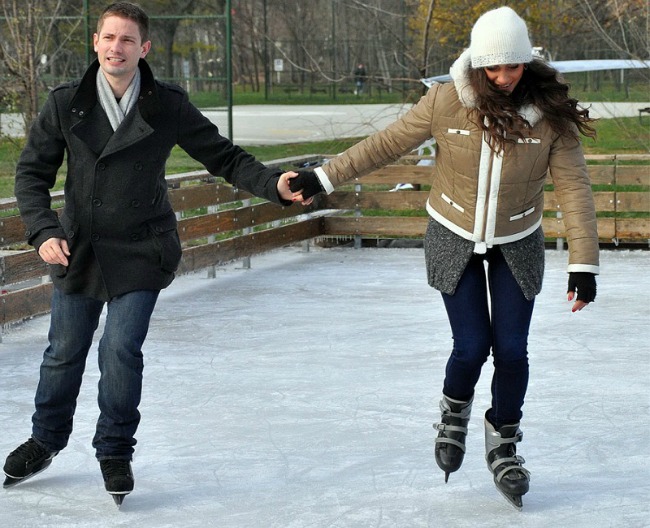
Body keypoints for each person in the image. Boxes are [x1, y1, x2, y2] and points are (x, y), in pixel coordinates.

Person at [288, 6, 599, 509]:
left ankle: (504, 442)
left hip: (517, 239)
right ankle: (454, 411)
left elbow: (574, 188)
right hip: (453, 233)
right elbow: (385, 144)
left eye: (513, 66)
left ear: (526, 61)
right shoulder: (446, 100)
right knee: (473, 346)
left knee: (513, 351)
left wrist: (584, 263)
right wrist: (322, 178)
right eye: (493, 68)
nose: (503, 78)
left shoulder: (550, 112)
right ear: (477, 64)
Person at [3, 2, 297, 505]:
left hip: (142, 249)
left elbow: (222, 155)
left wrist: (275, 184)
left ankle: (114, 450)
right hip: (77, 249)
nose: (116, 48)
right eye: (108, 38)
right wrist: (43, 230)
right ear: (95, 43)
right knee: (62, 353)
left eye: (127, 40)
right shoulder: (65, 104)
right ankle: (46, 439)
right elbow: (32, 174)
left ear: (145, 49)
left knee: (120, 350)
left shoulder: (167, 105)